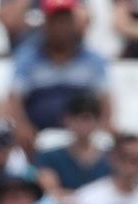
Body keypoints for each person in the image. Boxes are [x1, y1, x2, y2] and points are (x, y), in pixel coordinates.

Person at [9, 0, 111, 146]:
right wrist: (23, 128)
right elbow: (14, 100)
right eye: (55, 21)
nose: (61, 27)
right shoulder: (28, 59)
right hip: (38, 138)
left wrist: (98, 131)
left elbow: (106, 102)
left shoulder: (92, 60)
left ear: (74, 24)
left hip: (83, 138)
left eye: (65, 21)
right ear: (45, 24)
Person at [35, 92, 110, 199]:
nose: (83, 124)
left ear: (98, 121)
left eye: (88, 118)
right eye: (77, 117)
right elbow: (50, 190)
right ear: (66, 119)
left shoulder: (111, 158)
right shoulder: (49, 157)